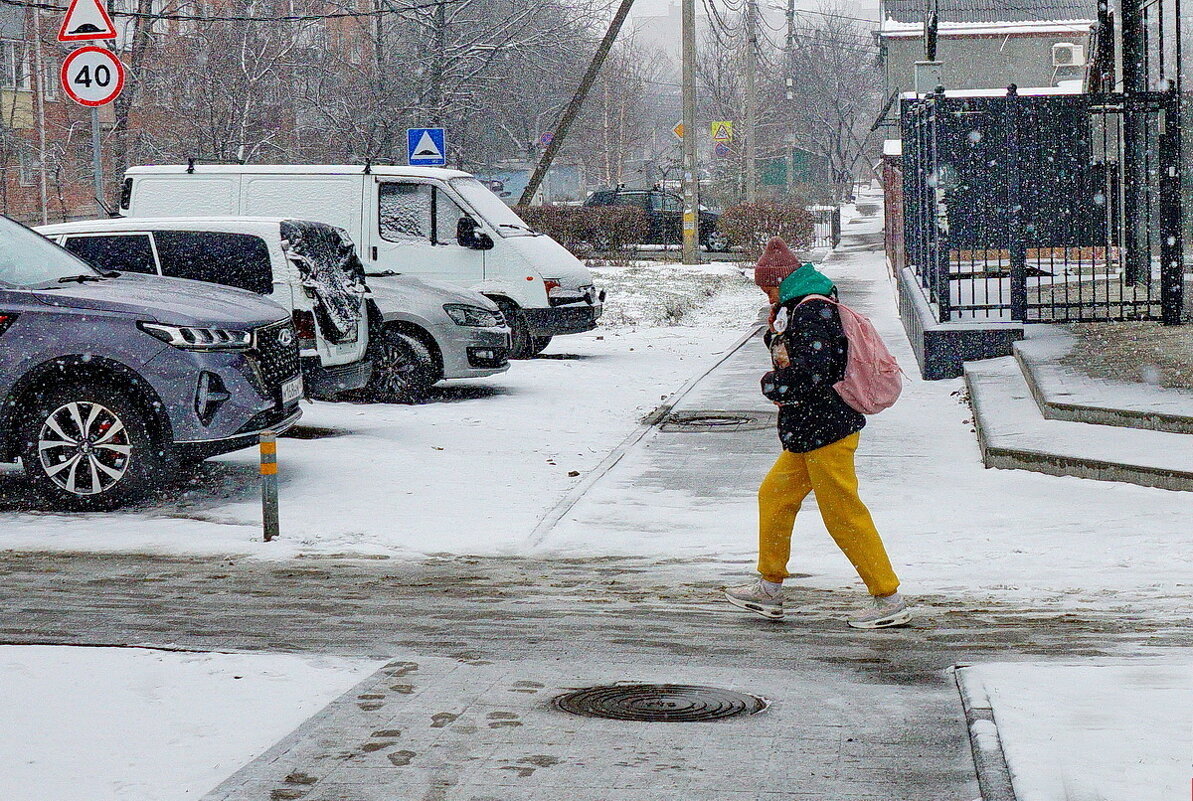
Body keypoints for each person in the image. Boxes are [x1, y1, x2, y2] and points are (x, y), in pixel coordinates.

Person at [724, 237, 910, 629]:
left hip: (828, 429)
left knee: (843, 514)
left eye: (768, 288)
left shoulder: (812, 313)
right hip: (809, 430)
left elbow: (816, 373)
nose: (767, 295)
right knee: (774, 496)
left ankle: (887, 597)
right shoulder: (800, 309)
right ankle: (769, 588)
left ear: (781, 282)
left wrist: (775, 385)